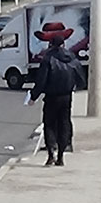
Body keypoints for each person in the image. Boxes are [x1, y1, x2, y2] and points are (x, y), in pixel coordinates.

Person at [29, 34, 81, 166]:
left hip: (51, 97)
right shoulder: (71, 57)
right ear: (63, 44)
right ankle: (61, 156)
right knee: (64, 124)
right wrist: (76, 86)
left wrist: (34, 96)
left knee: (49, 124)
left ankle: (51, 153)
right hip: (66, 96)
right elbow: (80, 74)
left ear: (51, 45)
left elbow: (41, 80)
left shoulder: (48, 59)